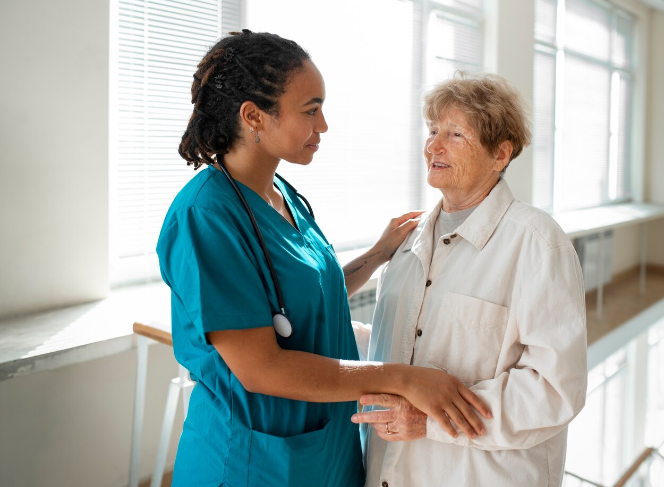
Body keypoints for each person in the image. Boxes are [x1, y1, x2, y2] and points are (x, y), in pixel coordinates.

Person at [156, 31, 491, 486]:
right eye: (311, 110)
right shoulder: (207, 216)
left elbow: (297, 302)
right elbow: (261, 368)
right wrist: (404, 379)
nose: (324, 125)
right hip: (251, 460)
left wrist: (375, 256)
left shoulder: (283, 195)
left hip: (326, 447)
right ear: (254, 116)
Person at [351, 73, 588, 486]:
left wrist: (431, 420)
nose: (433, 146)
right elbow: (400, 345)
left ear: (500, 154)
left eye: (455, 134)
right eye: (432, 130)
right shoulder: (407, 243)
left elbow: (554, 389)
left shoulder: (537, 243)